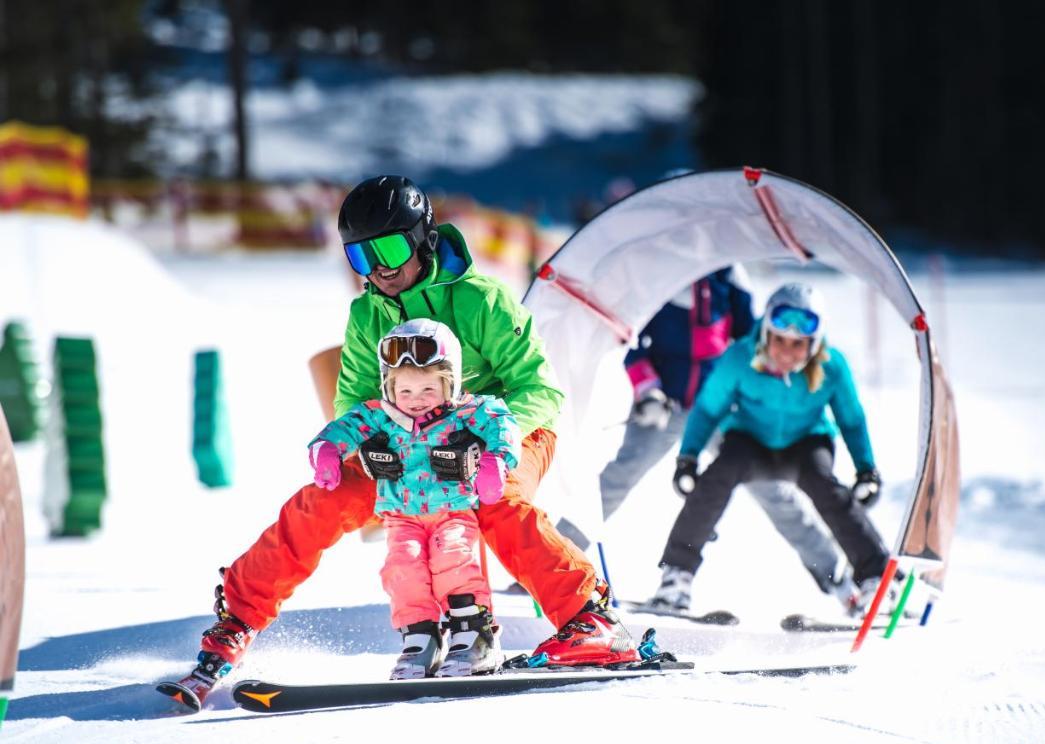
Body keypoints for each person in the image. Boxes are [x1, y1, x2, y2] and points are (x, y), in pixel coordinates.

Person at [188, 176, 636, 692]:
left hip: (503, 431)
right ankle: (238, 618)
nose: (379, 266)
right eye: (361, 256)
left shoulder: (481, 299)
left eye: (390, 247)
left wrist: (487, 442)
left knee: (495, 499)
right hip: (406, 440)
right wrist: (366, 444)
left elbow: (538, 387)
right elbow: (354, 398)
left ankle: (590, 619)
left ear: (422, 238)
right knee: (326, 499)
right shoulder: (367, 313)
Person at [594, 267, 849, 594]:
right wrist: (648, 389)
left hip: (720, 409)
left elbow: (752, 340)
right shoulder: (660, 268)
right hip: (664, 403)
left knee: (773, 490)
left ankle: (836, 576)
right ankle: (553, 563)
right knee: (619, 477)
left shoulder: (729, 277)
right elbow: (632, 337)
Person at [647, 282, 891, 615]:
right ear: (765, 335)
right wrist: (688, 458)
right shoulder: (739, 358)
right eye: (779, 341)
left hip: (806, 442)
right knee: (716, 479)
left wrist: (867, 468)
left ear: (814, 344)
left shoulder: (833, 366)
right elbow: (707, 410)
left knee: (827, 488)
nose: (787, 353)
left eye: (798, 344)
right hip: (749, 440)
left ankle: (877, 579)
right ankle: (676, 576)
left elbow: (851, 419)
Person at [309, 319, 520, 678]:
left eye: (427, 390)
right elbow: (345, 427)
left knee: (453, 558)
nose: (416, 401)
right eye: (404, 391)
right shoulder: (380, 415)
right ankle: (420, 640)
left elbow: (502, 423)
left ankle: (474, 638)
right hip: (401, 516)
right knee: (402, 568)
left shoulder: (467, 411)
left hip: (453, 510)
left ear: (449, 383)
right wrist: (327, 450)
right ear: (389, 387)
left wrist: (496, 461)